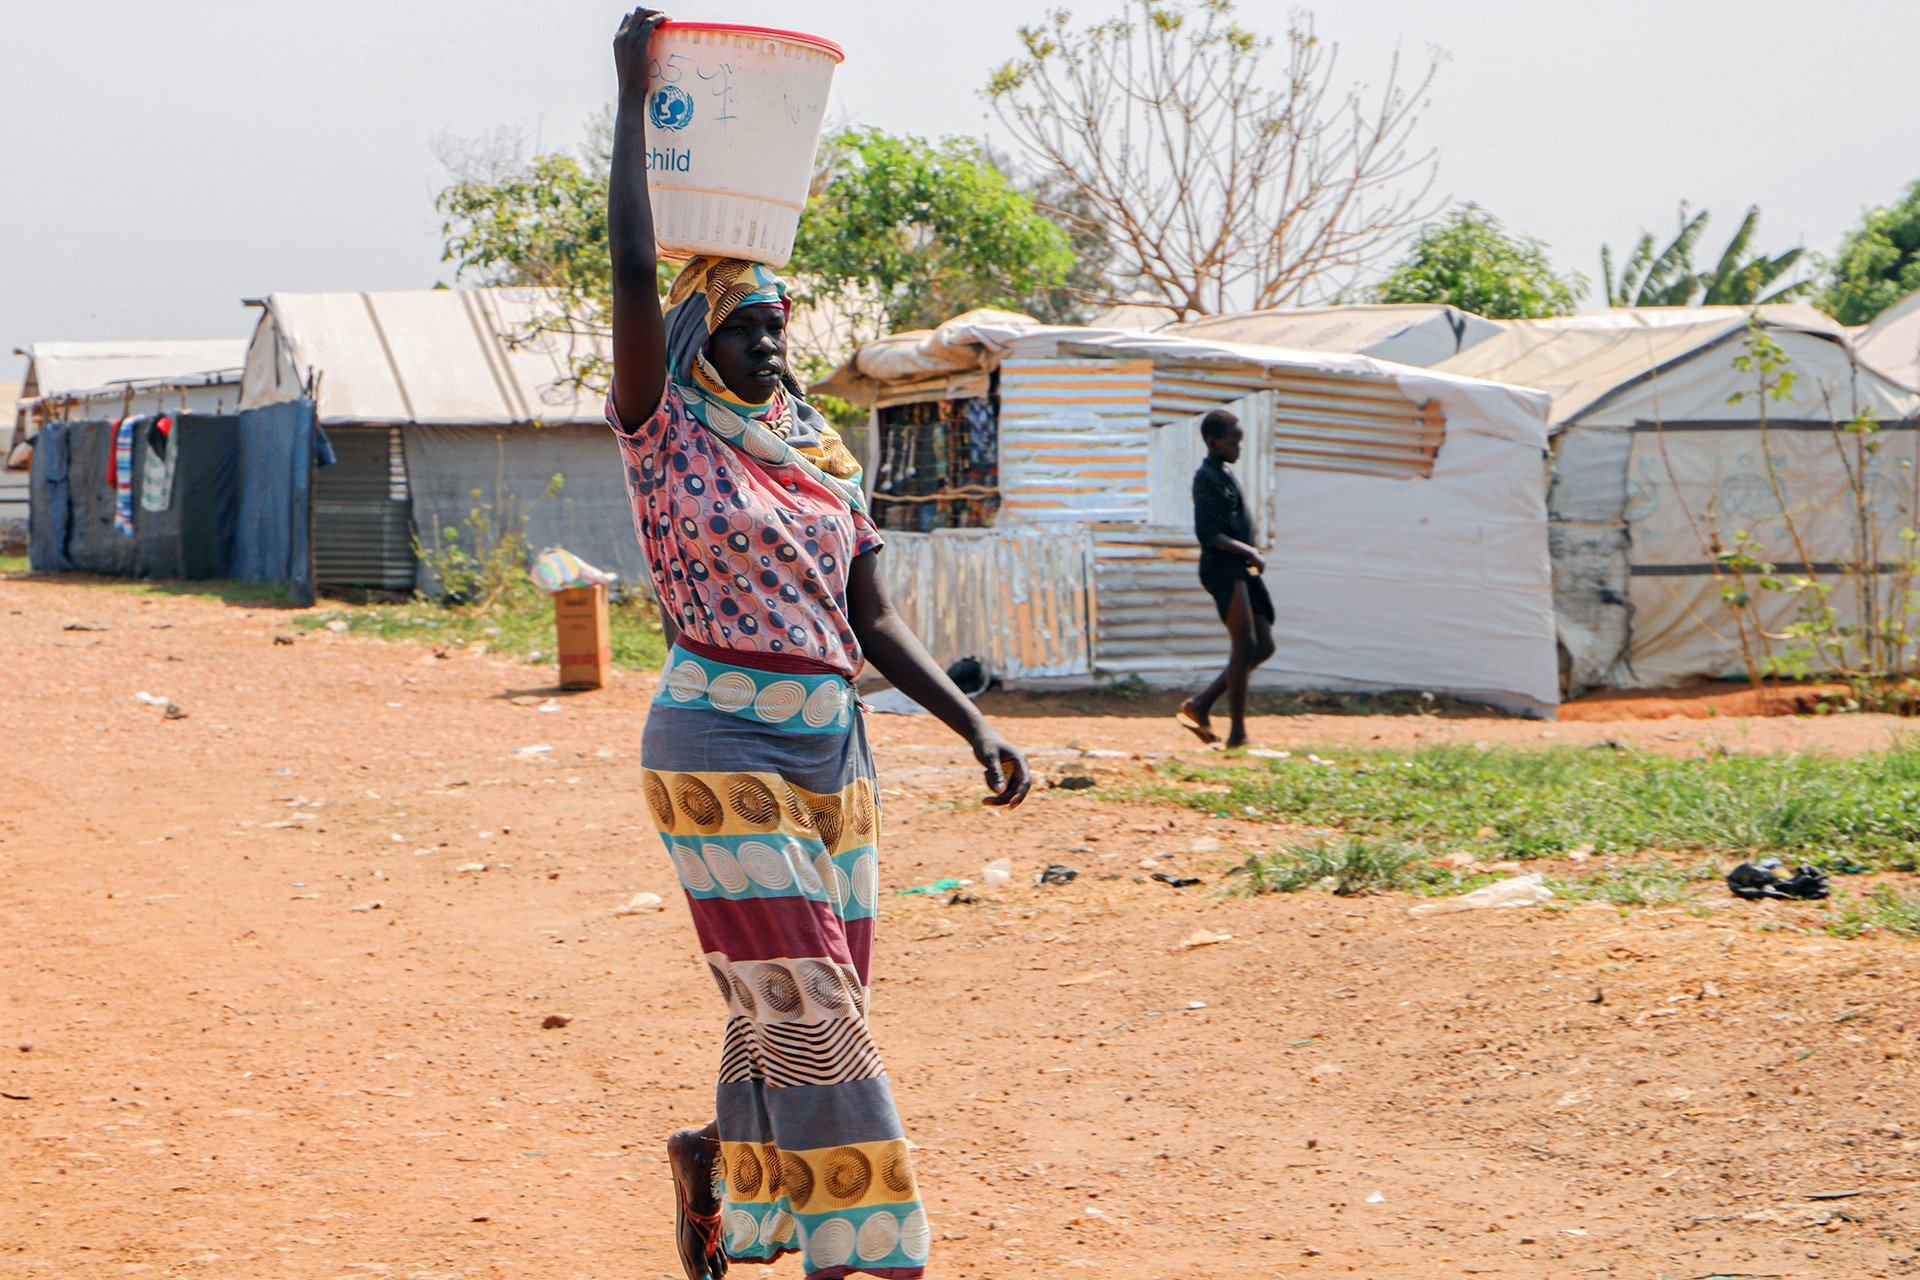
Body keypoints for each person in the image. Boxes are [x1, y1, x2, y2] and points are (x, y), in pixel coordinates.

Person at [604, 11, 1032, 1280]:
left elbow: (874, 618)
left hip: (835, 754)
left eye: (781, 323)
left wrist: (971, 722)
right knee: (818, 1014)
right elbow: (636, 271)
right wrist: (630, 100)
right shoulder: (663, 430)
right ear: (697, 343)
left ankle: (720, 1183)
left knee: (784, 1003)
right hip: (715, 743)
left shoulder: (824, 463)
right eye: (746, 324)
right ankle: (870, 1250)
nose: (772, 339)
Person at [1176, 408, 1275, 748]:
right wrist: (1249, 551)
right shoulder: (1206, 477)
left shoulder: (1224, 473)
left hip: (1239, 568)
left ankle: (1201, 704)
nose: (1238, 448)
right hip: (1224, 567)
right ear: (1212, 441)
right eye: (1233, 441)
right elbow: (1208, 534)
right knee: (1245, 645)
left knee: (1263, 645)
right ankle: (1237, 736)